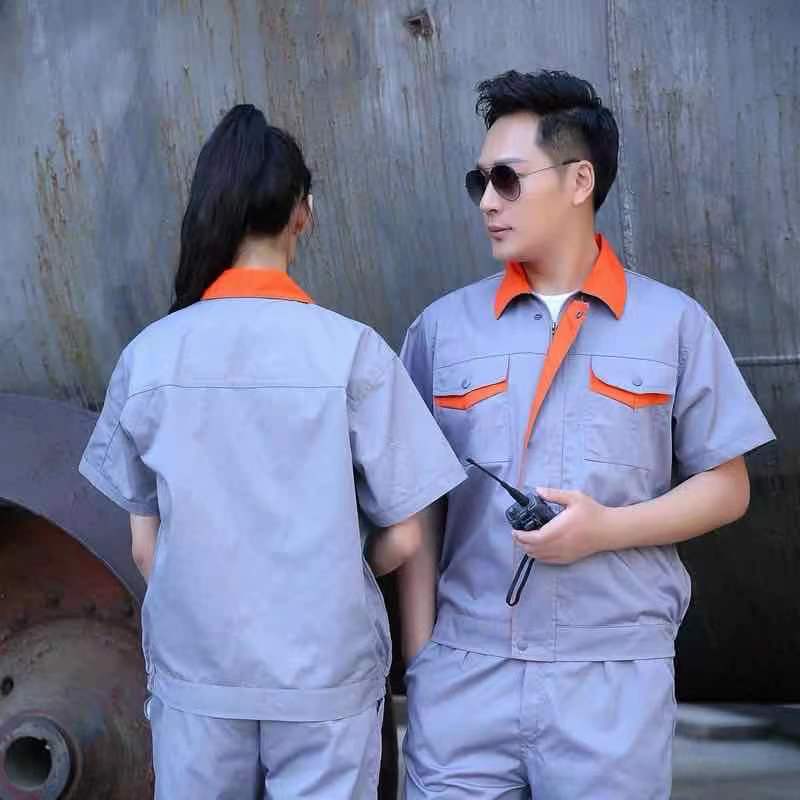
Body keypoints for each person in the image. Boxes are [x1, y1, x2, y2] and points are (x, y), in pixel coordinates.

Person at [398, 69, 775, 800]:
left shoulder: (671, 324)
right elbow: (417, 509)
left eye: (507, 179)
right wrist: (424, 661)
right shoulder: (442, 331)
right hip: (465, 676)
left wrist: (606, 530)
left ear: (579, 180)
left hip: (610, 679)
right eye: (479, 181)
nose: (487, 201)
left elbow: (727, 488)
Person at [78, 104, 465, 800]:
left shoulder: (150, 357)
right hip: (325, 679)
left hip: (200, 680)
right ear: (302, 214)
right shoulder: (352, 352)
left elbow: (145, 548)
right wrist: (344, 565)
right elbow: (407, 538)